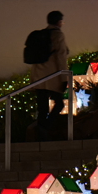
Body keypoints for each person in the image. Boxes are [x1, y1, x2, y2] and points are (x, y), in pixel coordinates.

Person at [27, 10, 69, 139]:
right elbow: (61, 58)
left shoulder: (40, 35)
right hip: (52, 77)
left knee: (42, 108)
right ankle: (44, 128)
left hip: (37, 77)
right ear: (59, 22)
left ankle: (41, 132)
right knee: (59, 104)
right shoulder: (57, 35)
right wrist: (64, 77)